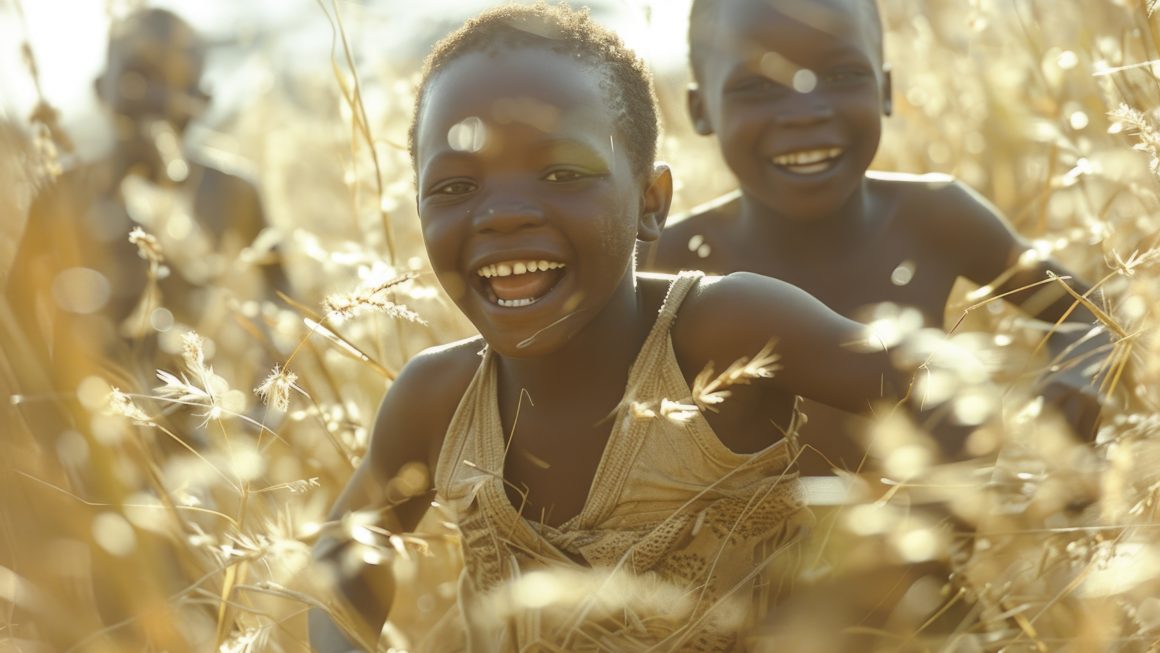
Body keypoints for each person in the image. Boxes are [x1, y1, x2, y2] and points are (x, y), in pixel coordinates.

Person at [308, 4, 957, 651]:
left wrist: (862, 605)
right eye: (453, 187)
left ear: (651, 202)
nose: (502, 214)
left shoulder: (723, 332)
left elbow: (948, 396)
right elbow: (344, 551)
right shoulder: (436, 400)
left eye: (562, 172)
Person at [643, 0, 1106, 475]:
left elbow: (1087, 315)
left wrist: (1079, 378)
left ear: (885, 88)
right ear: (701, 110)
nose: (805, 112)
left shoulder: (935, 216)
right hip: (753, 544)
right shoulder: (672, 260)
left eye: (842, 75)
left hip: (939, 533)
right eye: (756, 86)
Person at [6, 8, 285, 380]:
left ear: (202, 99)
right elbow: (14, 302)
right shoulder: (65, 193)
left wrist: (265, 389)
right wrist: (49, 407)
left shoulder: (233, 190)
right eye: (138, 77)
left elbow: (283, 298)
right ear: (101, 89)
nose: (156, 98)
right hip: (92, 410)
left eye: (176, 81)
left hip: (207, 410)